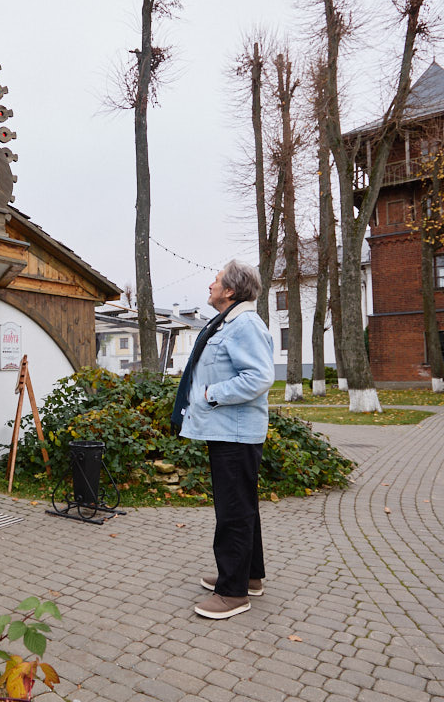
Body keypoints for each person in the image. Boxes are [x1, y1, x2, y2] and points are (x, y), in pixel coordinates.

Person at [171, 259, 274, 619]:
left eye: (215, 282)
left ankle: (232, 593)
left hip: (235, 431)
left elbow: (259, 377)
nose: (210, 287)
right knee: (241, 507)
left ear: (230, 290)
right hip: (228, 430)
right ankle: (250, 577)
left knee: (232, 512)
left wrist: (210, 394)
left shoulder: (244, 324)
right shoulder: (228, 322)